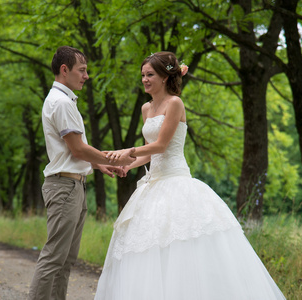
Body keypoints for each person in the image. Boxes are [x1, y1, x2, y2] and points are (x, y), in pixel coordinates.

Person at [94, 52, 286, 299]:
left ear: (165, 77)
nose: (144, 80)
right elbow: (150, 153)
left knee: (181, 246)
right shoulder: (145, 108)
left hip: (176, 181)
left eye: (150, 74)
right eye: (142, 75)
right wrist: (128, 166)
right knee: (148, 246)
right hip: (152, 185)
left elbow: (162, 145)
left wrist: (126, 152)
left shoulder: (175, 103)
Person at [28, 46, 135, 300]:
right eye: (82, 70)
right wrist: (114, 157)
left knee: (65, 259)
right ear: (64, 70)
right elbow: (77, 149)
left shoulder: (65, 101)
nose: (86, 76)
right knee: (55, 256)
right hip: (64, 188)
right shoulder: (62, 102)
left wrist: (99, 164)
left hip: (73, 186)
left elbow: (73, 151)